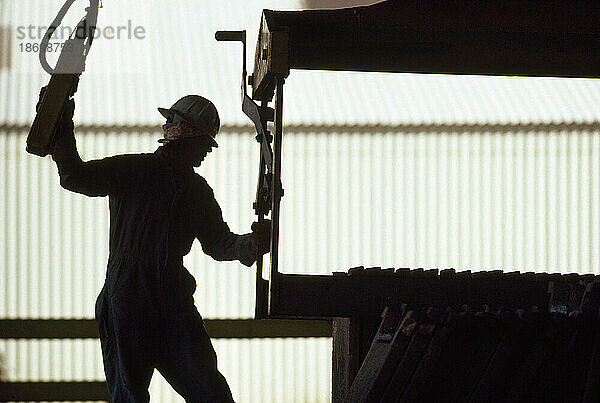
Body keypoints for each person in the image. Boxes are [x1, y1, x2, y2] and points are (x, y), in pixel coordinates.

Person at [44, 91, 270, 402]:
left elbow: (219, 243)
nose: (207, 149)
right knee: (131, 396)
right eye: (204, 141)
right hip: (129, 299)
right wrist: (60, 125)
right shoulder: (134, 172)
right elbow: (75, 176)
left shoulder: (196, 191)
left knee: (211, 393)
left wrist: (249, 245)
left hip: (170, 302)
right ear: (185, 135)